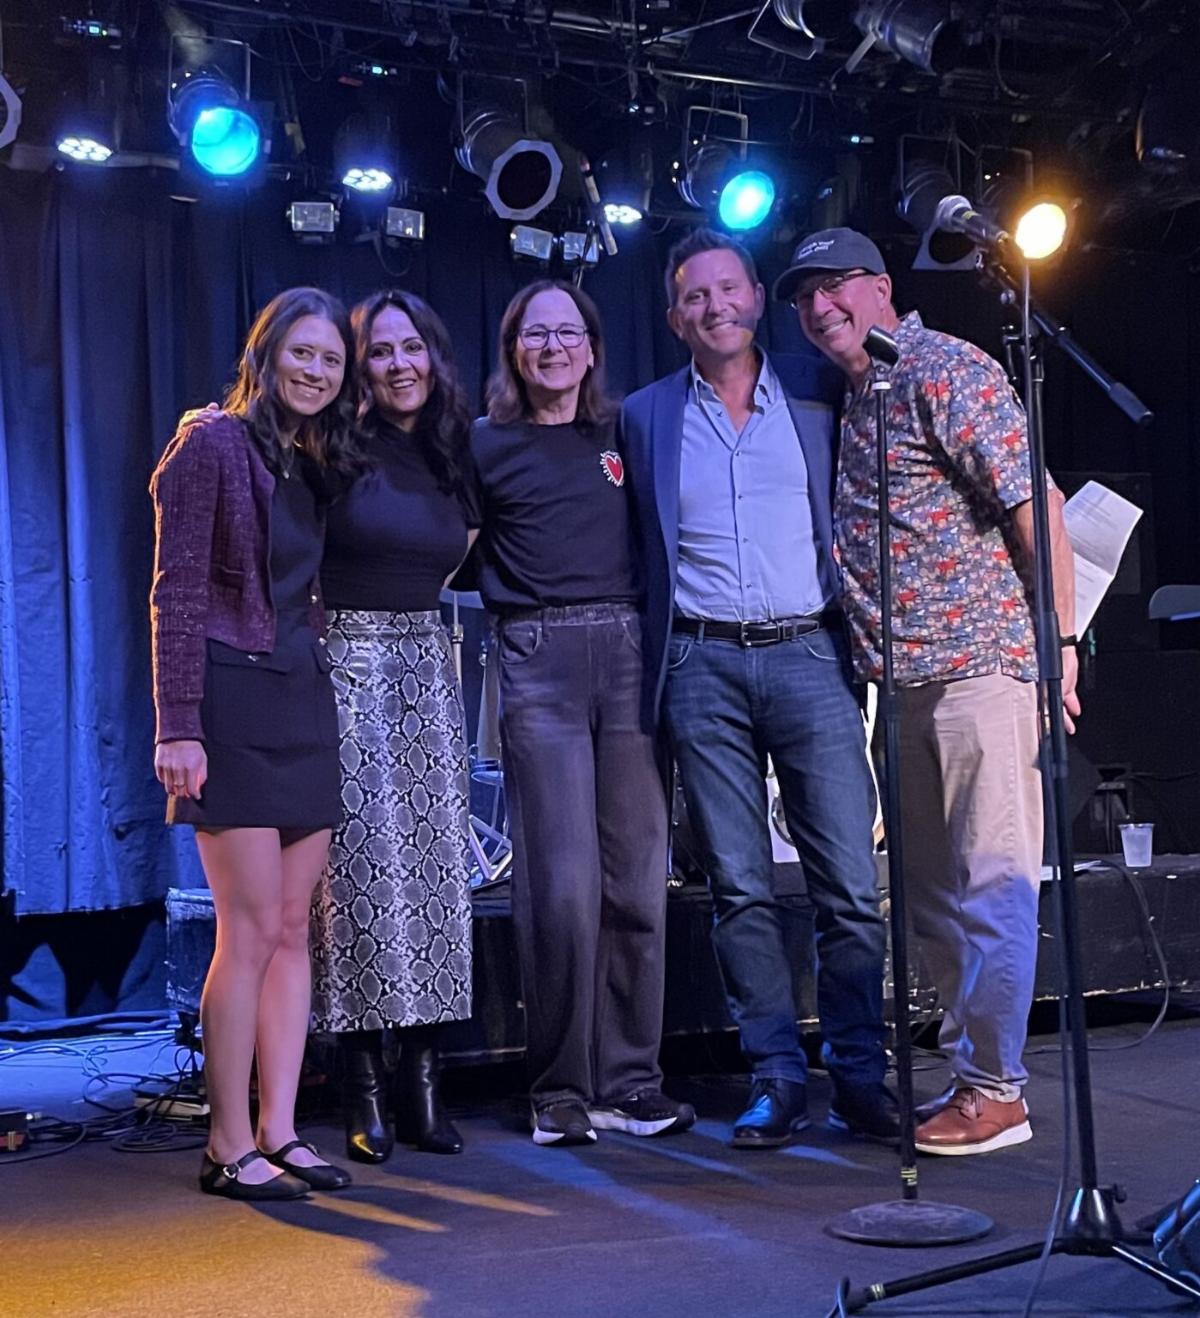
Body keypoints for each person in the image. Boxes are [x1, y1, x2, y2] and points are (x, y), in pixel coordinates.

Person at [779, 226, 1080, 1155]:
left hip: (978, 670)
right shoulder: (861, 394)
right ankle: (972, 1079)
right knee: (934, 900)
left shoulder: (942, 368)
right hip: (904, 685)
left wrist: (1061, 642)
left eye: (837, 285)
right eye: (805, 295)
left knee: (990, 887)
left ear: (881, 287)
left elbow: (1038, 504)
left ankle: (998, 1091)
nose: (820, 305)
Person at [621, 229, 894, 1150]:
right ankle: (775, 1074)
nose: (716, 307)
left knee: (848, 883)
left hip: (810, 653)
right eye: (695, 296)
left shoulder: (819, 390)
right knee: (739, 886)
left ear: (755, 296)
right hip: (700, 665)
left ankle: (859, 1075)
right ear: (675, 319)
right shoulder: (645, 416)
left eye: (729, 288)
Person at [471, 279, 694, 1146]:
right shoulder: (485, 444)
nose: (553, 348)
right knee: (561, 888)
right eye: (536, 334)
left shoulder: (623, 433)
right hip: (539, 658)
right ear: (513, 351)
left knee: (636, 879)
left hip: (629, 652)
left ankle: (631, 1082)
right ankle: (559, 1088)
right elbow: (447, 547)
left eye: (568, 333)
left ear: (593, 348)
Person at [150, 287, 359, 1198]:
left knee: (291, 930)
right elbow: (176, 590)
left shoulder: (313, 459)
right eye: (301, 353)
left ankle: (280, 1130)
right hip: (231, 699)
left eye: (331, 359)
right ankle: (226, 1142)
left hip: (303, 699)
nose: (315, 370)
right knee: (246, 929)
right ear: (265, 355)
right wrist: (178, 723)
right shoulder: (211, 442)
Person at [310, 290, 475, 1162]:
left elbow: (468, 552)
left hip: (427, 668)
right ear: (359, 367)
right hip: (346, 665)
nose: (399, 364)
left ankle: (424, 1079)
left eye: (412, 347)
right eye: (380, 351)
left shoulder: (455, 450)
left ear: (433, 356)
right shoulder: (333, 446)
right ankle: (362, 1083)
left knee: (437, 878)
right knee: (357, 881)